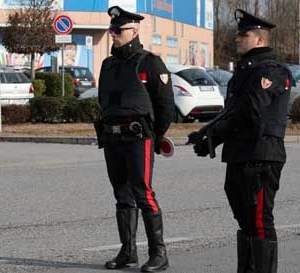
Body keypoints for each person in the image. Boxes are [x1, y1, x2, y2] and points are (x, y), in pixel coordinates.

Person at [192, 9, 292, 273]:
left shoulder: (272, 71)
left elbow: (250, 111)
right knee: (246, 221)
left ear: (259, 39)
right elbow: (232, 113)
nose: (237, 38)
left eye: (243, 34)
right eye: (237, 34)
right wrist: (209, 136)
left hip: (261, 156)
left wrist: (217, 132)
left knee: (259, 221)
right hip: (240, 155)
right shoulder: (244, 73)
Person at [95, 5, 175, 273]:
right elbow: (103, 101)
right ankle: (127, 252)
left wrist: (155, 135)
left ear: (135, 31)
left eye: (118, 30)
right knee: (122, 195)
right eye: (111, 29)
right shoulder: (108, 65)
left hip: (139, 138)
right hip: (113, 138)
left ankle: (158, 254)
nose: (113, 33)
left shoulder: (149, 62)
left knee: (143, 193)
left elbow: (165, 107)